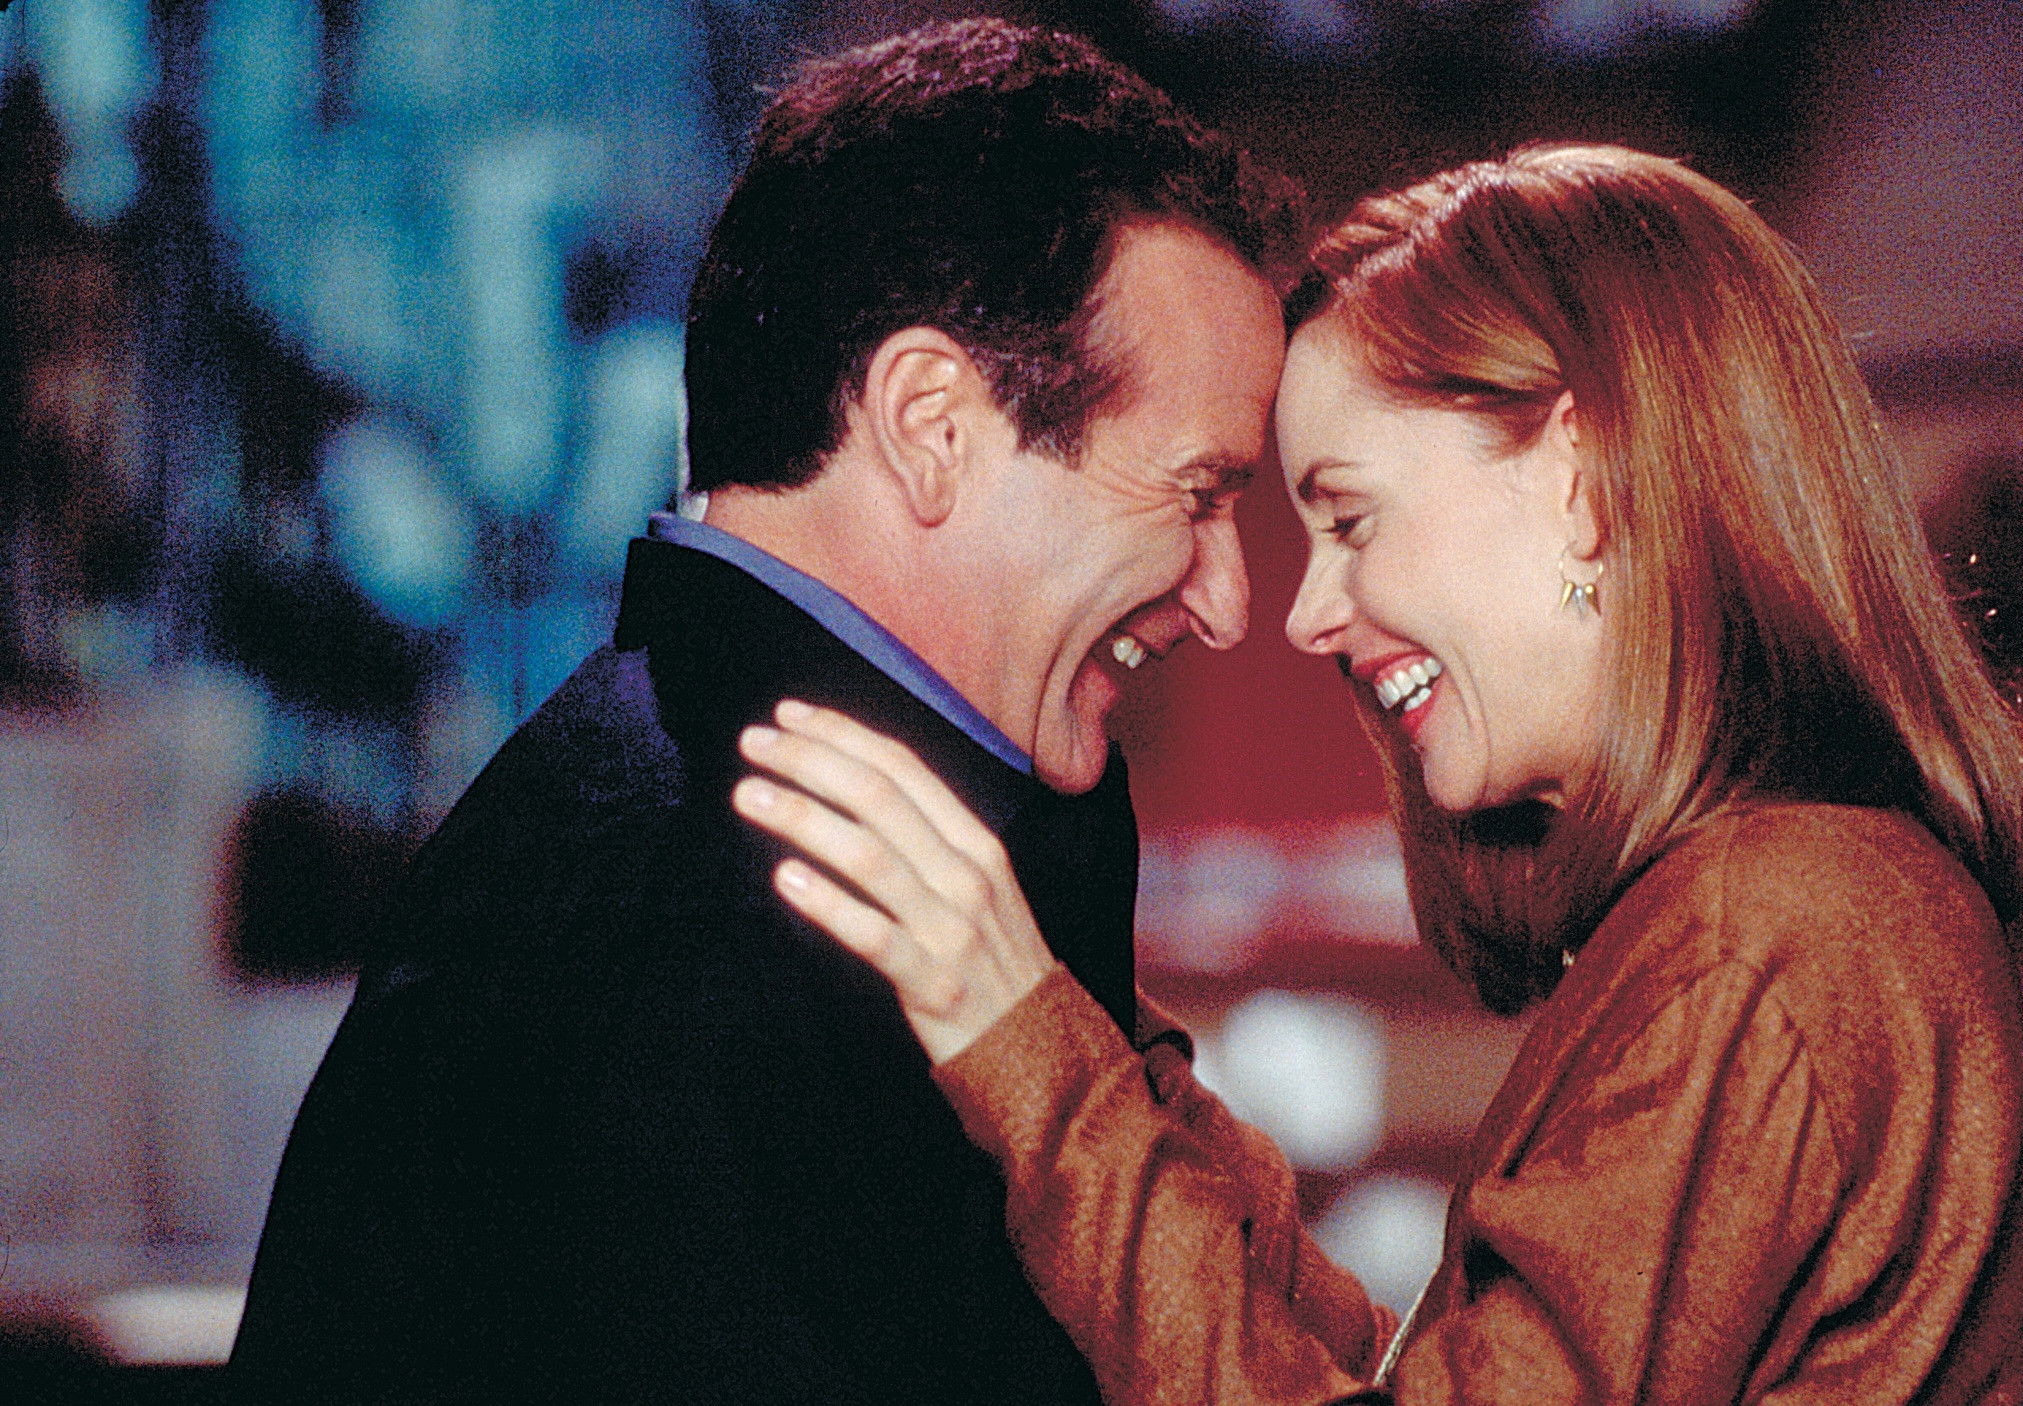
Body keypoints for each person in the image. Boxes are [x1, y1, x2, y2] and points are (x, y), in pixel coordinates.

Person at [733, 143, 2023, 1404]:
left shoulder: (1770, 933)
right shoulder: (1786, 904)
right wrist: (1088, 1033)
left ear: (1585, 476)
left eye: (1351, 519)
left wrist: (1033, 1059)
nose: (1309, 615)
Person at [230, 20, 1298, 1402]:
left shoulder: (676, 816)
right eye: (1196, 495)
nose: (1230, 601)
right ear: (931, 422)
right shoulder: (732, 910)